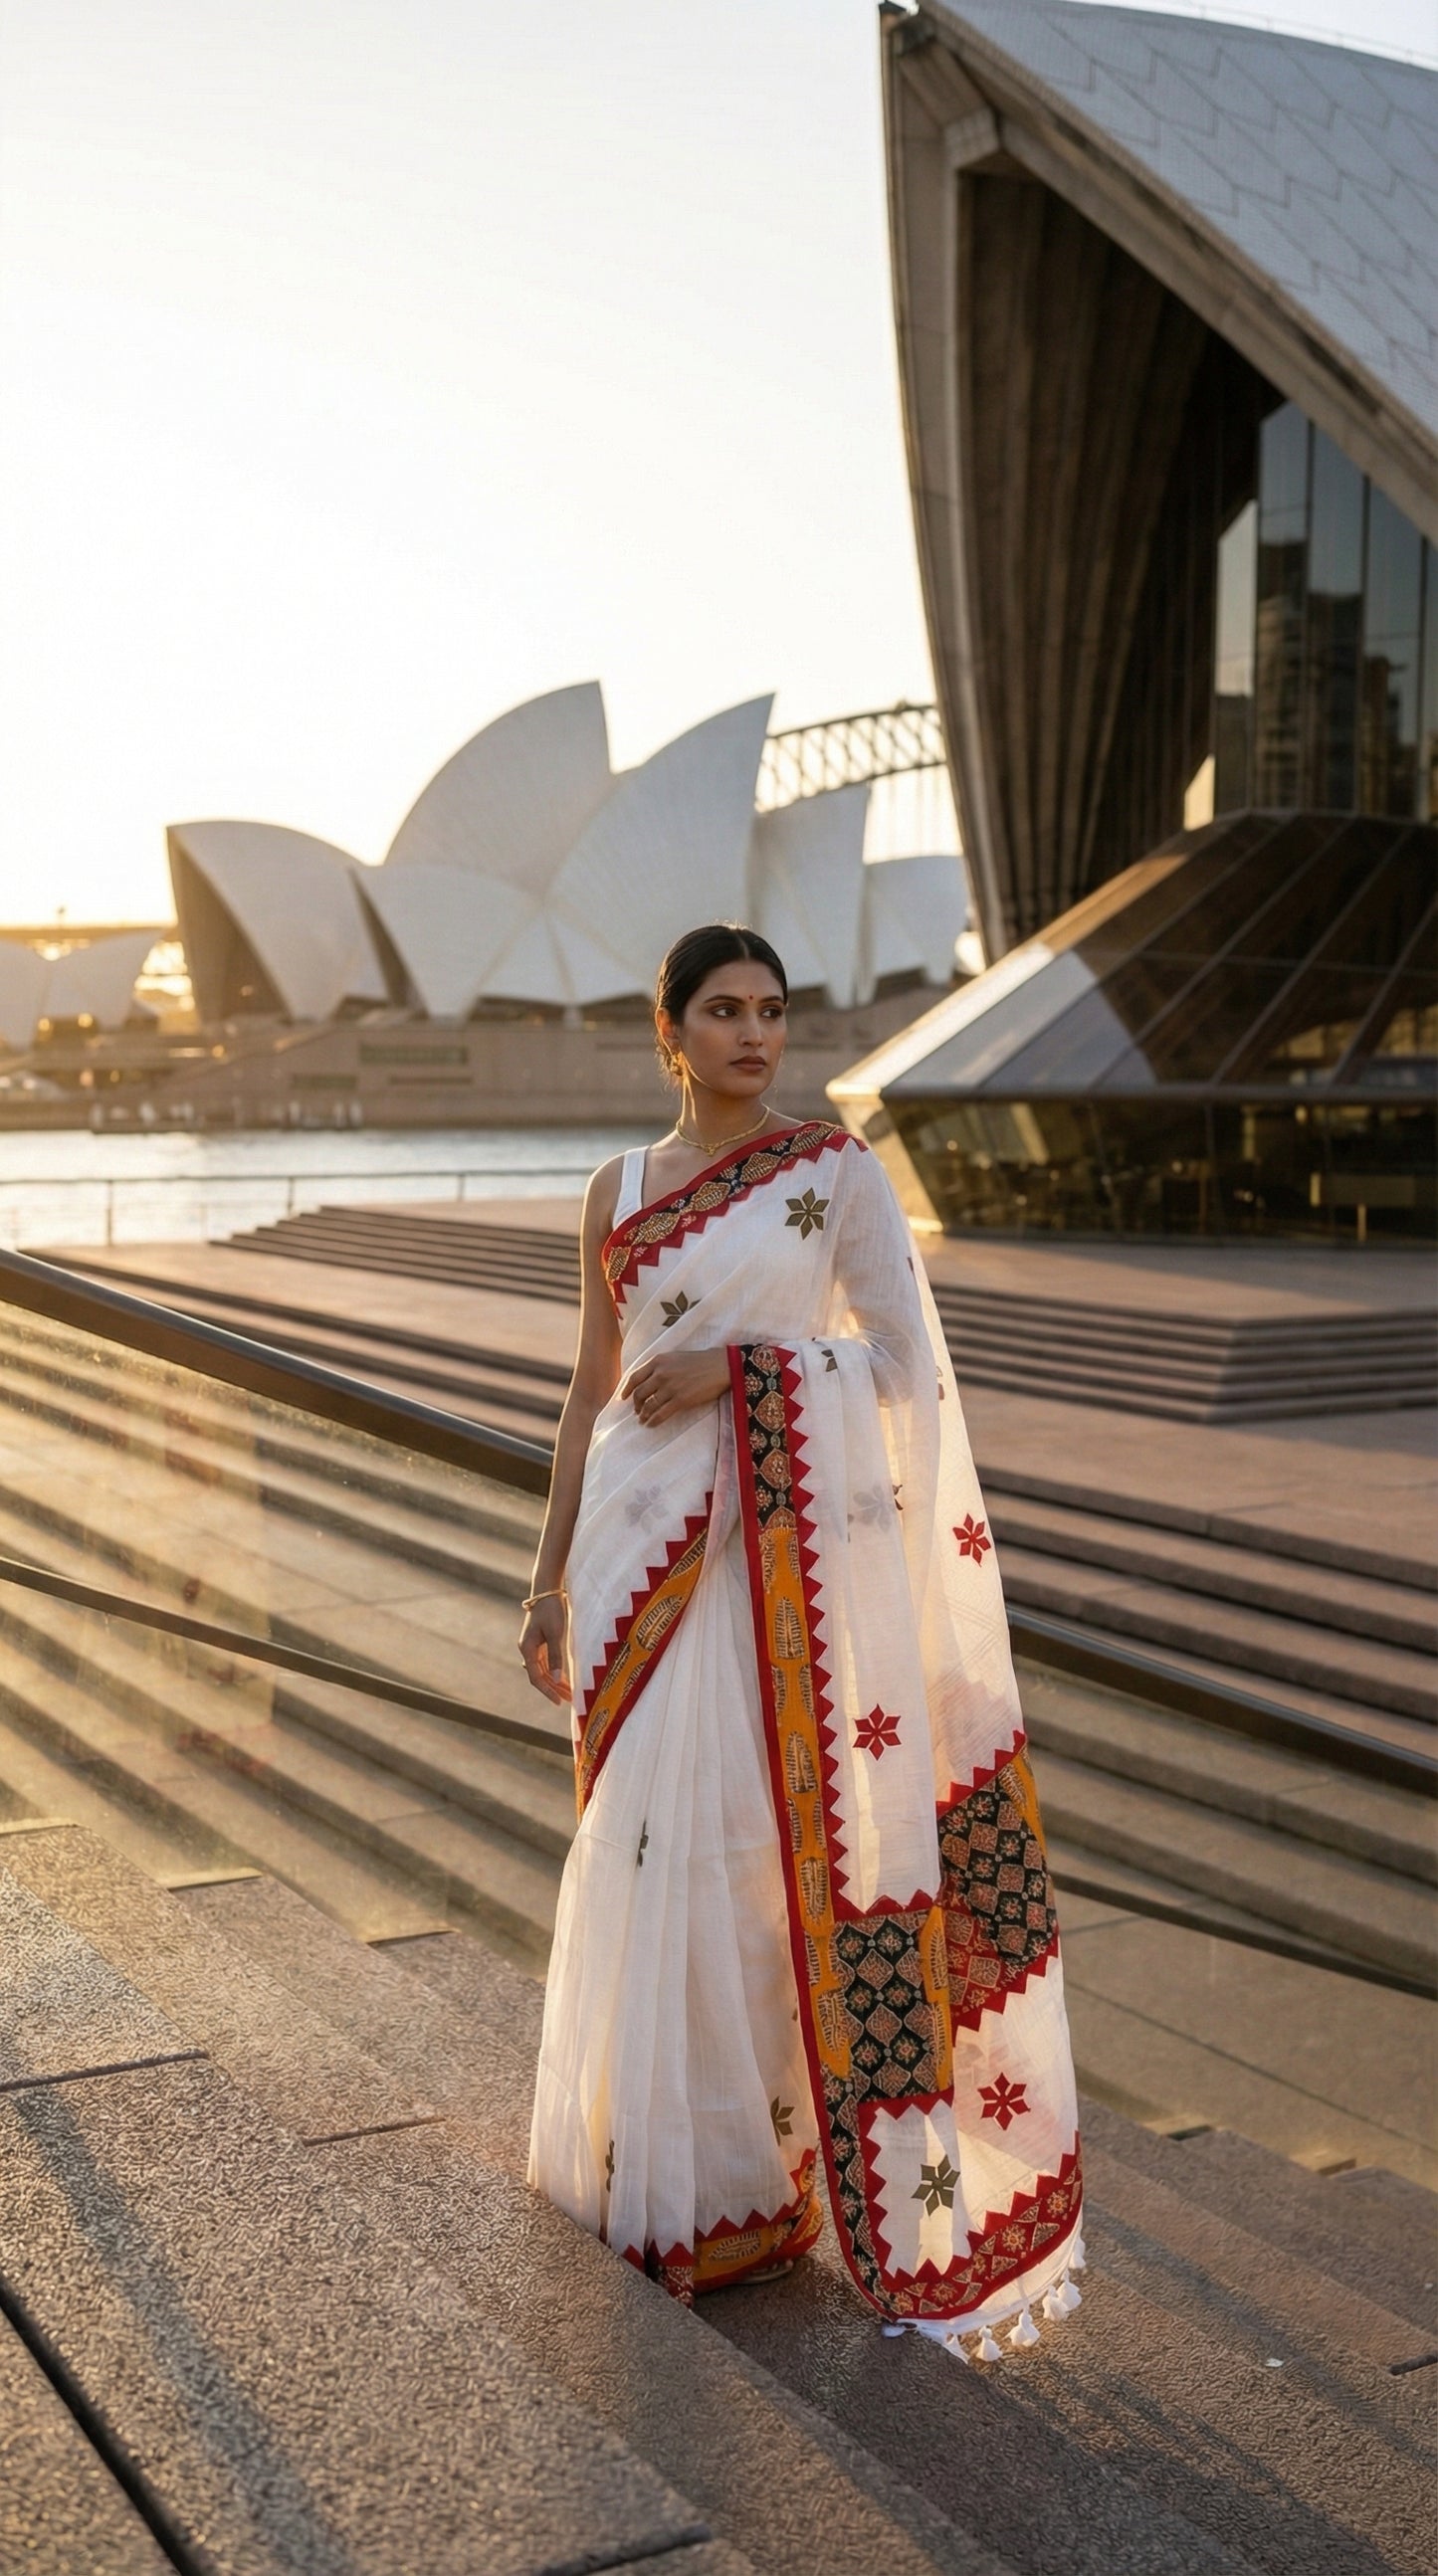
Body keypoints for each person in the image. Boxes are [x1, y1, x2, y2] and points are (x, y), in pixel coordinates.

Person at [522, 922, 1083, 2355]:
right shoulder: (615, 1188)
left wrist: (741, 1373)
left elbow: (900, 1370)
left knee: (747, 1869)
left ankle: (757, 2188)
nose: (754, 1034)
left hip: (768, 1573)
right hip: (630, 1565)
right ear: (669, 1030)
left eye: (771, 1010)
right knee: (645, 1858)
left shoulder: (828, 1176)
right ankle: (654, 2177)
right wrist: (543, 1582)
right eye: (722, 1010)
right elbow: (587, 1396)